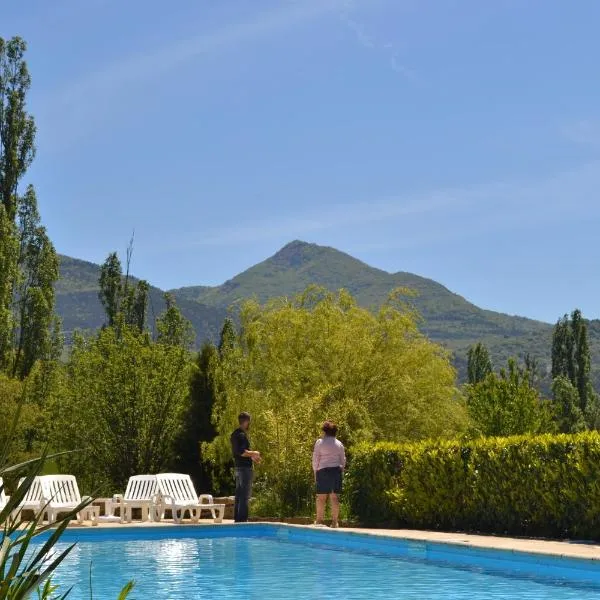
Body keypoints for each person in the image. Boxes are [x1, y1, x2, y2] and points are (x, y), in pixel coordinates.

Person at [312, 420, 346, 528]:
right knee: (334, 497)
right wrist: (341, 469)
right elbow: (343, 460)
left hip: (322, 471)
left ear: (325, 431)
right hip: (336, 471)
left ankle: (319, 521)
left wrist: (315, 472)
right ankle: (335, 522)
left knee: (321, 497)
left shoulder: (319, 442)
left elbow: (315, 459)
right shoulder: (339, 444)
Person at [230, 412, 261, 523]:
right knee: (245, 494)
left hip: (238, 467)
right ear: (246, 421)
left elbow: (238, 453)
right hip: (244, 469)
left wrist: (252, 457)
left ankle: (237, 518)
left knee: (239, 494)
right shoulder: (242, 435)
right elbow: (242, 452)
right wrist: (255, 453)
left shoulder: (234, 434)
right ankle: (243, 519)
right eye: (249, 422)